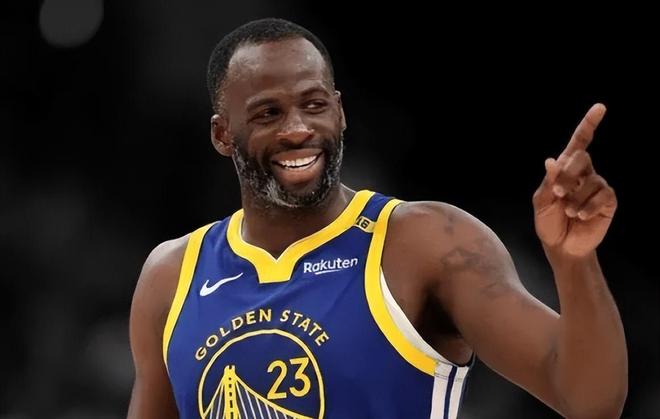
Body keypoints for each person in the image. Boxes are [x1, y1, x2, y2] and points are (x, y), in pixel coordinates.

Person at [127, 18, 628, 419]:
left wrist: (574, 261)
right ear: (222, 135)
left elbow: (589, 402)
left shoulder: (426, 243)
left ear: (339, 112)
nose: (298, 128)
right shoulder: (172, 275)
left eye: (313, 105)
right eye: (268, 114)